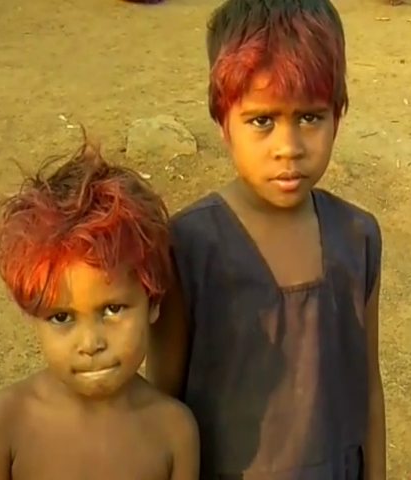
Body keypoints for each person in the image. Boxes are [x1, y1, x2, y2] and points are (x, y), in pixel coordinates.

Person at [146, 1, 387, 479]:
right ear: (223, 122)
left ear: (338, 115)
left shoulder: (358, 238)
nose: (289, 147)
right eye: (262, 120)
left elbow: (369, 387)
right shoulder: (189, 246)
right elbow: (164, 403)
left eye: (310, 118)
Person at [0, 139, 199, 480]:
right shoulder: (6, 422)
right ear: (32, 314)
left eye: (112, 310)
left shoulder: (173, 431)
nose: (91, 343)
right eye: (61, 317)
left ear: (152, 301)